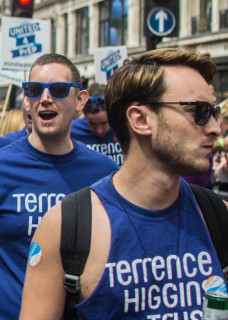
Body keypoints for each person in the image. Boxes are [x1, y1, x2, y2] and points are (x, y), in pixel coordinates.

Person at [20, 48, 223, 318]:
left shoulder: (216, 214)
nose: (215, 128)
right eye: (199, 111)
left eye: (214, 112)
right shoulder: (65, 227)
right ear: (140, 119)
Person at [0, 54, 119, 319]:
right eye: (35, 90)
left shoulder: (105, 173)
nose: (45, 98)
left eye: (59, 90)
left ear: (80, 101)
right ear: (27, 99)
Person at [70, 83, 123, 166]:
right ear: (85, 115)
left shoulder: (125, 128)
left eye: (104, 123)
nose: (99, 130)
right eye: (92, 123)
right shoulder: (71, 131)